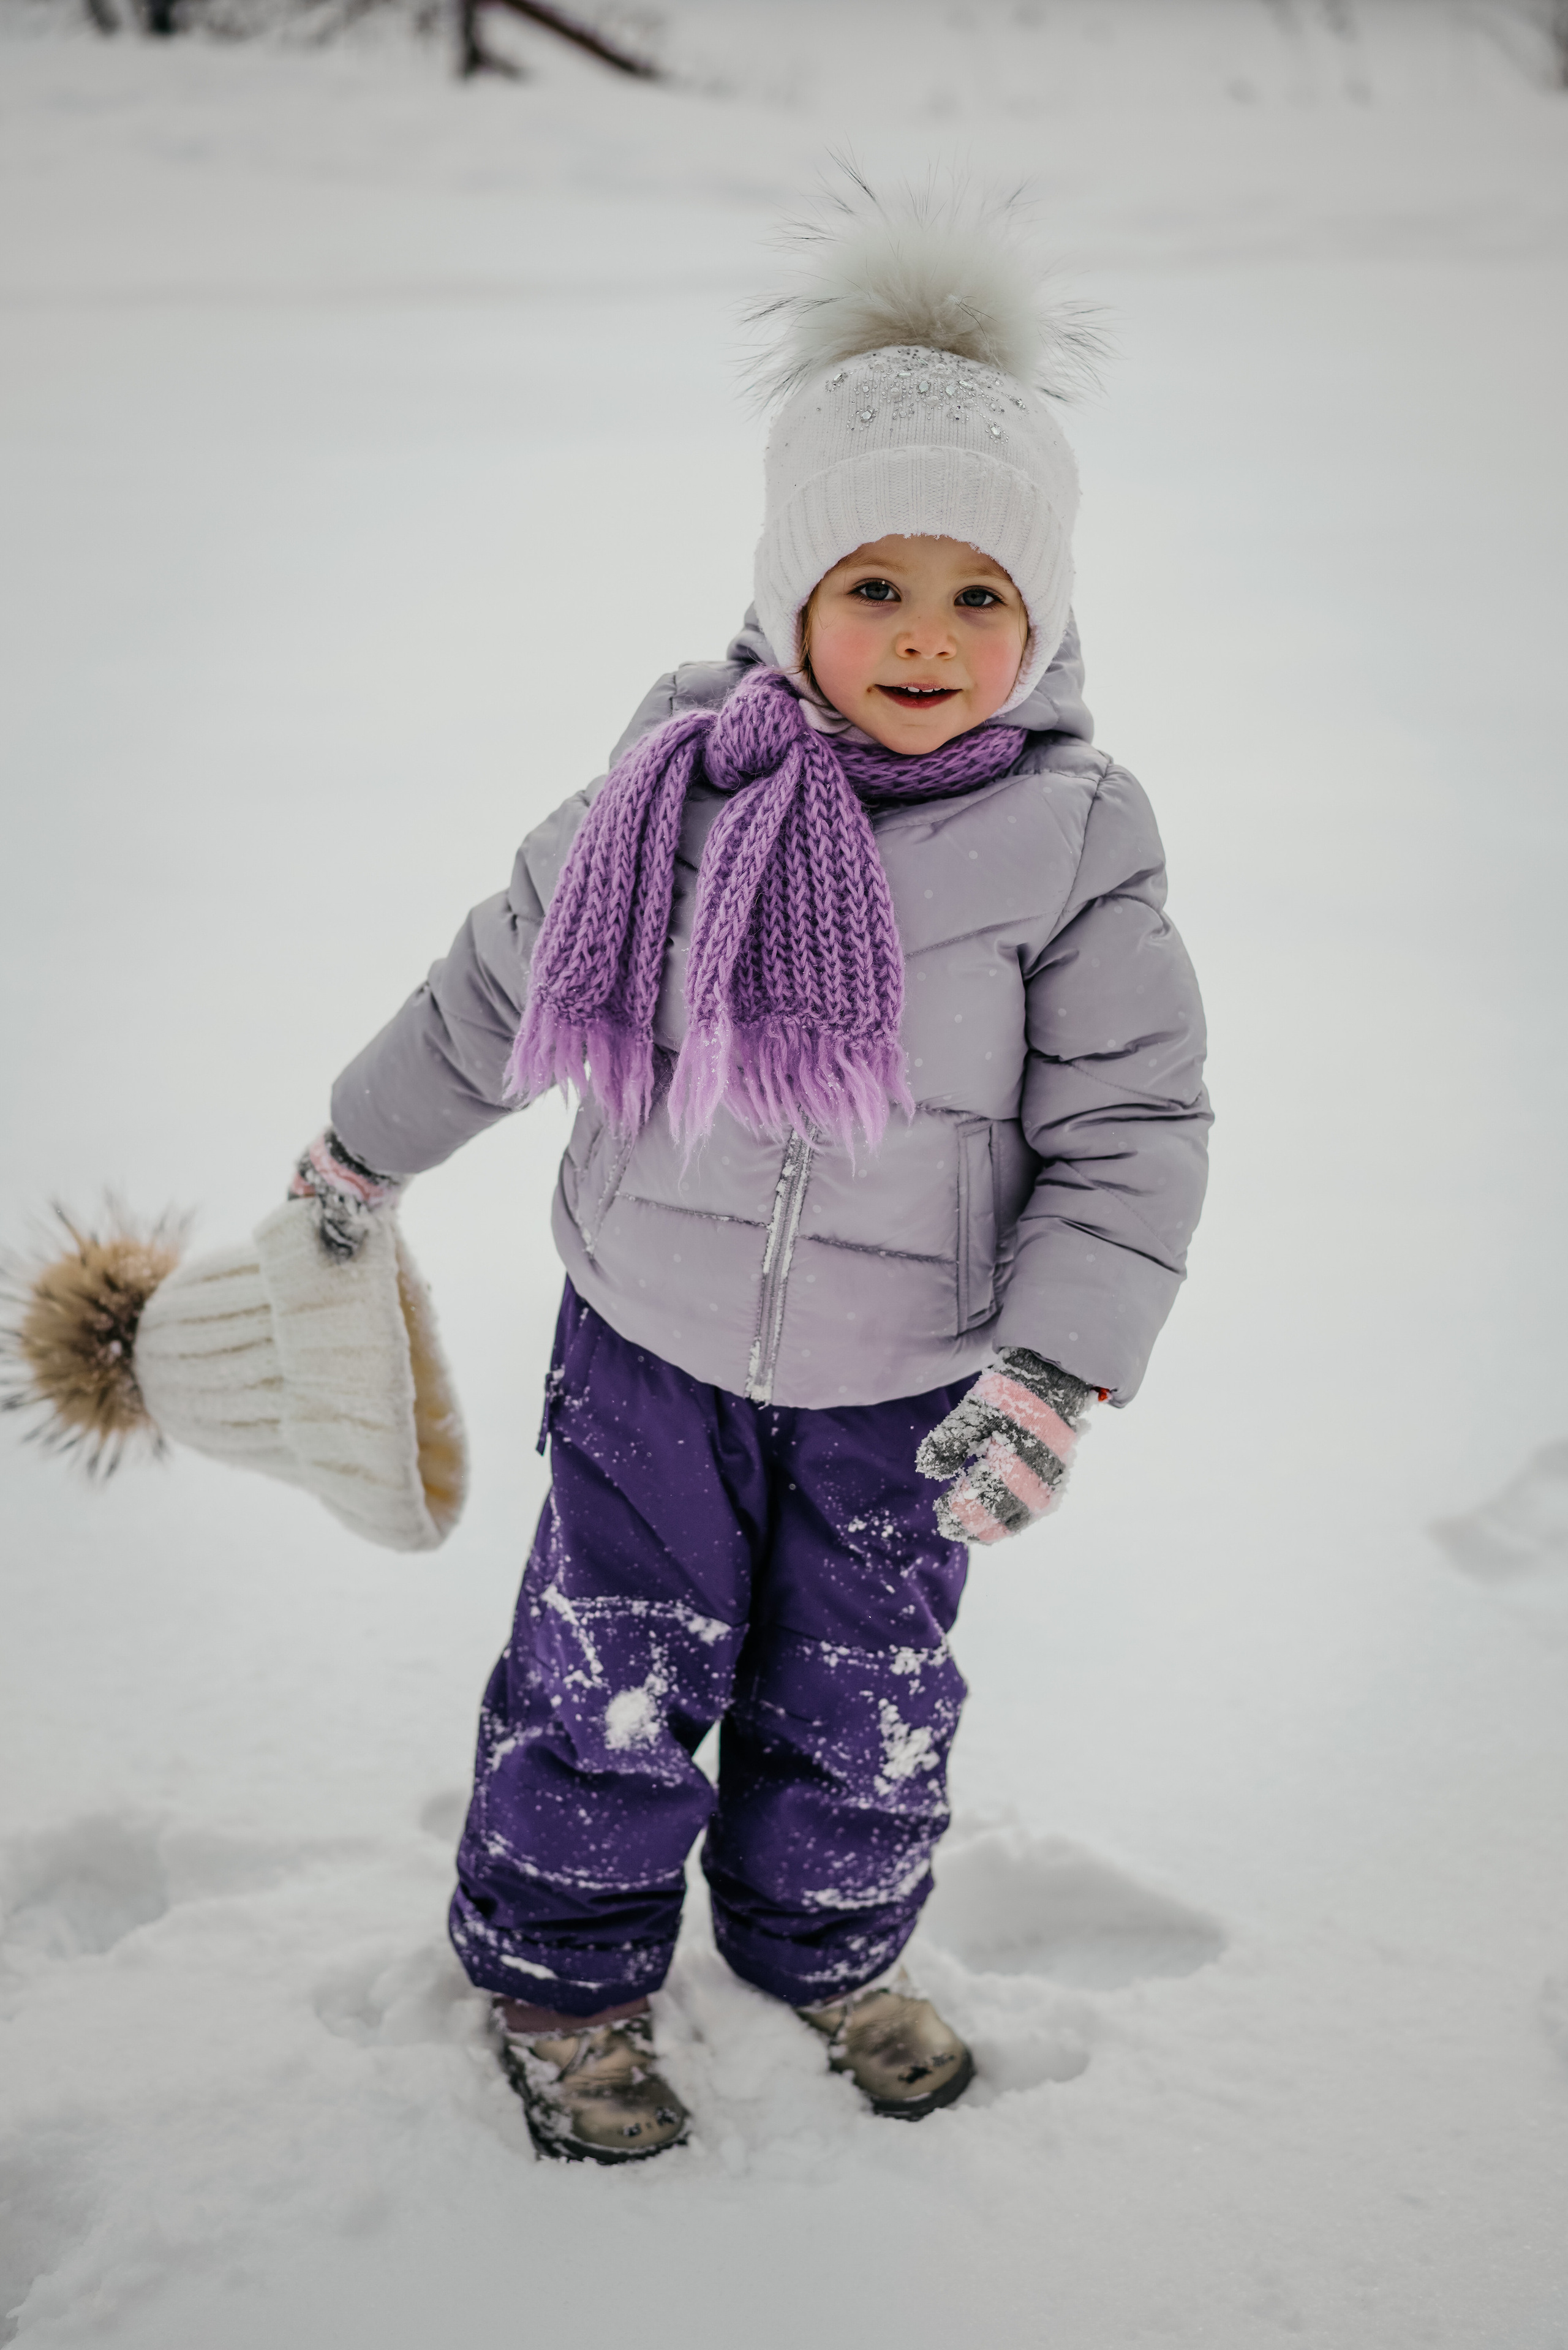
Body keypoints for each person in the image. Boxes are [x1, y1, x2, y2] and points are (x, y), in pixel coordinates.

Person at [289, 189, 1211, 2164]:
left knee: (869, 1694)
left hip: (915, 1379)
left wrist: (1052, 1369)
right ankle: (566, 1977)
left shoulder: (1075, 840)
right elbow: (491, 991)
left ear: (1042, 620)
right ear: (789, 591)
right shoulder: (669, 795)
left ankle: (829, 1945)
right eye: (877, 586)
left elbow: (1132, 1130)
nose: (929, 639)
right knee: (608, 1675)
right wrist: (362, 1149)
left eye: (983, 597)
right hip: (651, 1348)